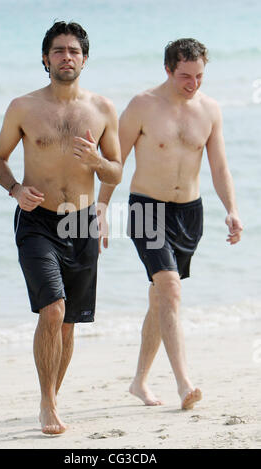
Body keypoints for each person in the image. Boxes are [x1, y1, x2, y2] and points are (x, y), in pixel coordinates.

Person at [0, 21, 122, 434]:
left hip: (81, 222)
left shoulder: (102, 109)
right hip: (38, 221)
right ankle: (47, 403)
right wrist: (14, 188)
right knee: (53, 309)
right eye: (59, 50)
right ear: (45, 59)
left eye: (74, 50)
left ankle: (52, 398)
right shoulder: (23, 107)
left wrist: (97, 166)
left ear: (84, 58)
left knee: (68, 324)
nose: (67, 56)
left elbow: (115, 170)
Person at [97, 38, 243, 410]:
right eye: (184, 76)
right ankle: (184, 384)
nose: (192, 84)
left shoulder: (209, 110)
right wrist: (100, 207)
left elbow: (220, 167)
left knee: (161, 297)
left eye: (199, 76)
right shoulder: (142, 106)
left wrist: (232, 209)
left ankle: (139, 382)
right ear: (167, 70)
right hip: (146, 207)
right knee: (171, 290)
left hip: (189, 213)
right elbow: (117, 161)